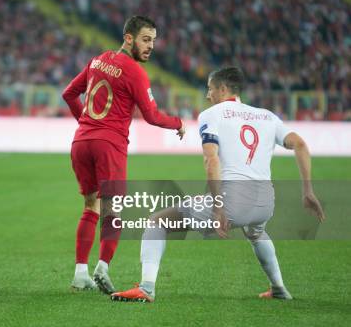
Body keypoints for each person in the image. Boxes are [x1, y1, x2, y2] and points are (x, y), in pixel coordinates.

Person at [111, 66, 325, 302]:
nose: (207, 95)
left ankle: (146, 288)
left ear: (222, 89)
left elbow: (210, 159)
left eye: (210, 89)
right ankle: (279, 288)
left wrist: (218, 206)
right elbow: (301, 145)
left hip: (233, 200)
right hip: (265, 201)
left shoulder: (211, 115)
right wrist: (308, 191)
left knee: (157, 221)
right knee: (257, 233)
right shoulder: (267, 116)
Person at [62, 15, 185, 294]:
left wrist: (86, 123)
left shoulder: (97, 60)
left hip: (81, 142)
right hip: (110, 146)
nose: (151, 45)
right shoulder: (135, 72)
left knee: (91, 206)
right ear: (128, 38)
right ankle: (103, 267)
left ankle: (80, 272)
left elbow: (69, 94)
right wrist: (178, 123)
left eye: (153, 40)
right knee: (113, 211)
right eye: (145, 39)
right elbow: (152, 116)